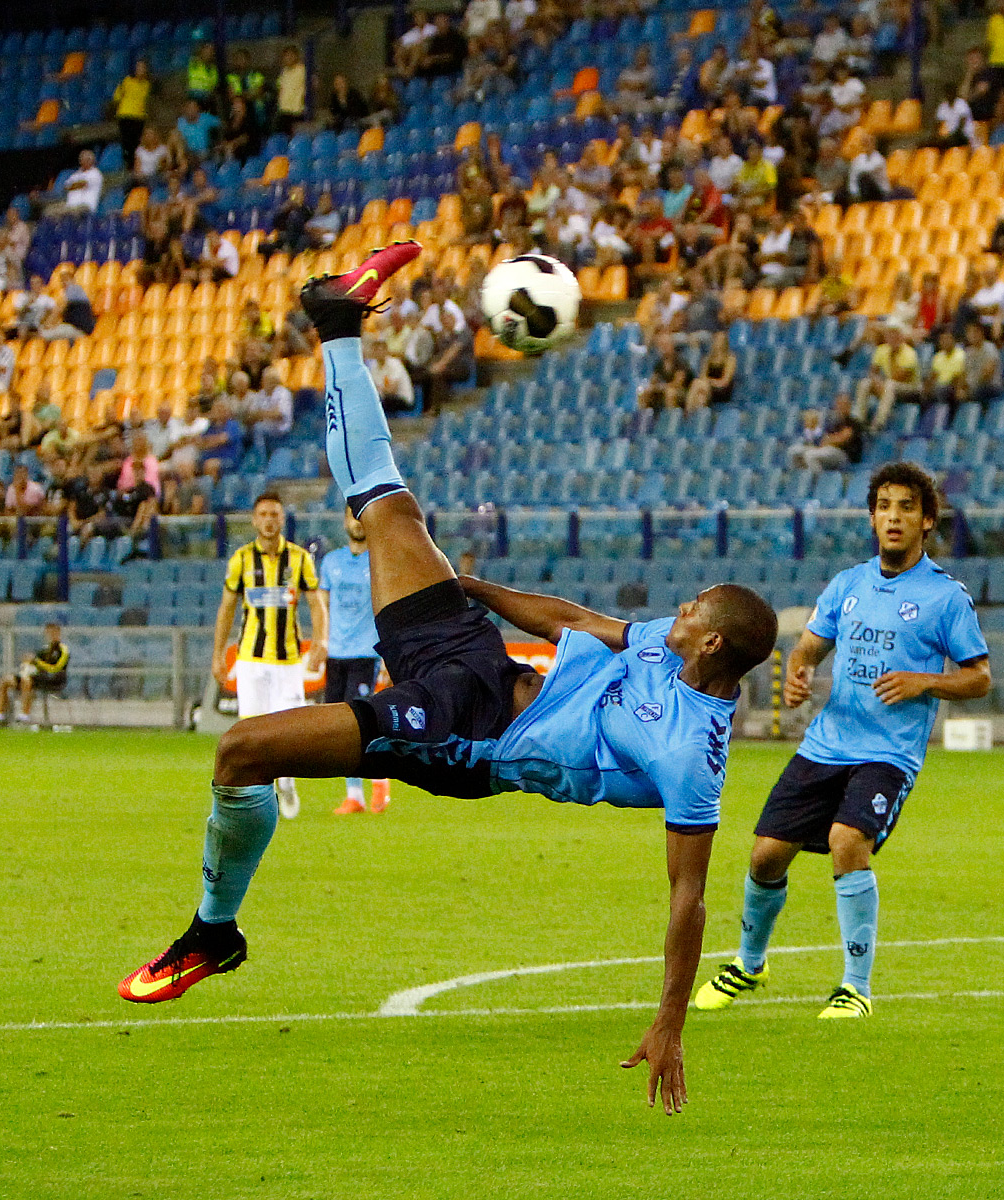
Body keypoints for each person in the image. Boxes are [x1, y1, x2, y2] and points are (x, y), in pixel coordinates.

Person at [118, 241, 780, 1117]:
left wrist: (669, 1021)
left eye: (693, 610)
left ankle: (212, 931)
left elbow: (688, 898)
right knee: (389, 506)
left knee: (242, 751)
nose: (678, 611)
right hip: (477, 661)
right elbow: (578, 622)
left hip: (470, 739)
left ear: (712, 644)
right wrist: (472, 588)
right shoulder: (668, 644)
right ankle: (338, 325)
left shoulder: (692, 756)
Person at [693, 462, 990, 1018]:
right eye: (884, 506)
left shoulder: (945, 597)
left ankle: (856, 988)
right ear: (872, 518)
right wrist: (799, 674)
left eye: (906, 508)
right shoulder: (848, 584)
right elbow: (807, 649)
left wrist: (925, 681)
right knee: (764, 856)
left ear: (927, 521)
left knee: (847, 841)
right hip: (826, 745)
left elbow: (979, 677)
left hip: (887, 754)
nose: (893, 517)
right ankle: (749, 965)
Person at [211, 490, 326, 820]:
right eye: (263, 514)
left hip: (288, 661)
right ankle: (258, 796)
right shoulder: (242, 560)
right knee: (252, 732)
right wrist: (218, 654)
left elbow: (316, 603)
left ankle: (286, 784)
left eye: (274, 514)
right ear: (254, 520)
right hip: (250, 659)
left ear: (282, 519)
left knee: (289, 731)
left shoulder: (299, 559)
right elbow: (227, 608)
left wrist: (321, 640)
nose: (269, 520)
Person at [319, 511, 390, 815]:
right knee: (338, 728)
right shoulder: (330, 562)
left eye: (361, 516)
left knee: (357, 723)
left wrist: (388, 655)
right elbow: (321, 607)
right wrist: (320, 642)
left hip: (366, 654)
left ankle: (378, 779)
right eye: (352, 516)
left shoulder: (381, 561)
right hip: (336, 655)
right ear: (345, 521)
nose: (357, 522)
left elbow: (388, 608)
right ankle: (355, 795)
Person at [0, 622, 68, 724]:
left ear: (58, 633)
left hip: (52, 679)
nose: (51, 635)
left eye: (53, 632)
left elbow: (56, 668)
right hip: (36, 676)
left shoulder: (63, 649)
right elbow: (33, 663)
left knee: (26, 681)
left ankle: (25, 715)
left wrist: (36, 661)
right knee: (5, 681)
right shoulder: (44, 649)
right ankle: (0, 715)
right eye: (49, 633)